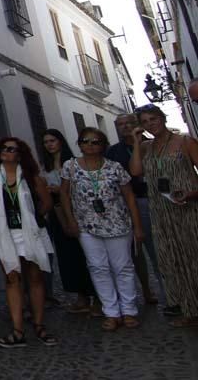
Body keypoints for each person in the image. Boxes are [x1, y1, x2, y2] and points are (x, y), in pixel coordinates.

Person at [60, 127, 143, 331]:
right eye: (85, 141)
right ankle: (111, 312)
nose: (89, 145)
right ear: (79, 144)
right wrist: (70, 220)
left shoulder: (114, 167)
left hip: (117, 223)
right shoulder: (70, 166)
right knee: (98, 268)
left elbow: (129, 196)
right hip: (87, 226)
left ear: (102, 145)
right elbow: (64, 195)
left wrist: (138, 225)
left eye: (95, 142)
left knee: (122, 267)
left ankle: (129, 310)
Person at [0, 137, 57, 349]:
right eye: (3, 148)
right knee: (12, 278)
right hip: (7, 233)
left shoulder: (32, 178)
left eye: (11, 149)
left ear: (20, 153)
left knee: (35, 277)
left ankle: (39, 325)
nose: (6, 151)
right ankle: (18, 329)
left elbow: (47, 202)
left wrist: (33, 219)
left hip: (31, 232)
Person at [129, 104, 198, 328]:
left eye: (154, 119)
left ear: (163, 117)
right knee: (174, 261)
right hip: (160, 211)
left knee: (193, 257)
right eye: (145, 122)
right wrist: (137, 144)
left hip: (187, 207)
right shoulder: (147, 147)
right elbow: (136, 172)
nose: (151, 124)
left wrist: (191, 193)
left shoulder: (184, 142)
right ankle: (189, 310)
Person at [107, 113, 165, 307]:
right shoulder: (113, 152)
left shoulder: (152, 145)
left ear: (137, 125)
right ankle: (147, 291)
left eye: (129, 123)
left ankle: (169, 293)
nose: (125, 127)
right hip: (126, 204)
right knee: (136, 253)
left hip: (154, 199)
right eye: (121, 124)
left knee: (158, 249)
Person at [42, 129, 96, 316]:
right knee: (67, 256)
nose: (49, 144)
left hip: (76, 212)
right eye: (46, 141)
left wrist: (60, 189)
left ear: (60, 142)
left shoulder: (72, 163)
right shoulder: (46, 166)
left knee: (85, 254)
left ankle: (95, 295)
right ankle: (81, 296)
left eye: (52, 140)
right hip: (56, 215)